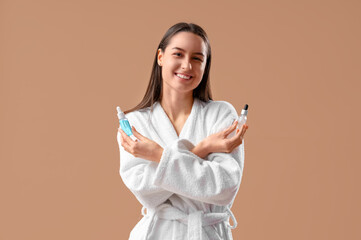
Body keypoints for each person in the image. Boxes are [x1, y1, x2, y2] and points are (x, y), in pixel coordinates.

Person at [116, 22, 249, 240]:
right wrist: (202, 149)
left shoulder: (221, 114)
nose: (187, 65)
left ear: (205, 66)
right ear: (161, 57)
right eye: (178, 54)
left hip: (207, 233)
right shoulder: (135, 123)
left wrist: (158, 155)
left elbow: (224, 186)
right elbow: (146, 192)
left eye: (197, 58)